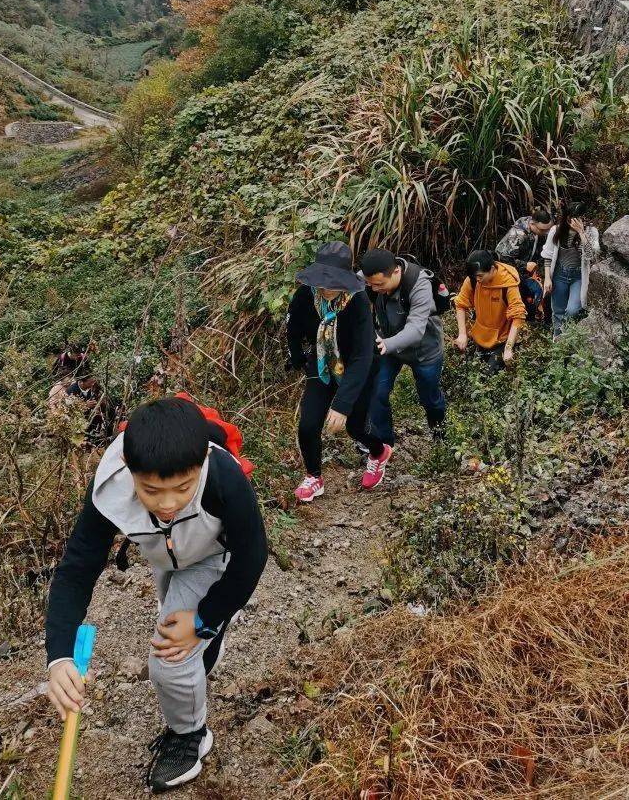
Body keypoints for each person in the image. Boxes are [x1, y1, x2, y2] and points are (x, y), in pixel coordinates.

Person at [45, 396, 267, 793]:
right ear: (131, 471)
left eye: (182, 489)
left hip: (214, 555)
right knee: (187, 632)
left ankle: (189, 736)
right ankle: (208, 640)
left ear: (200, 466)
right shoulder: (110, 485)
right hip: (167, 558)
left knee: (170, 654)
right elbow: (76, 571)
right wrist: (59, 656)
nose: (167, 504)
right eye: (151, 491)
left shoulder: (223, 477)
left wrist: (203, 618)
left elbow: (252, 556)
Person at [286, 241, 389, 501]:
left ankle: (379, 452)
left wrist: (342, 404)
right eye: (323, 281)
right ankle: (313, 477)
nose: (327, 288)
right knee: (308, 424)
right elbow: (294, 330)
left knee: (356, 427)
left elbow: (363, 356)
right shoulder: (305, 296)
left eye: (334, 282)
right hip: (321, 365)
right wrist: (298, 357)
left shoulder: (357, 302)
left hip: (358, 368)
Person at [360, 248, 446, 462]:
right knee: (376, 392)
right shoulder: (372, 277)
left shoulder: (419, 284)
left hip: (424, 351)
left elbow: (416, 329)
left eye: (380, 284)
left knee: (430, 399)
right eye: (371, 285)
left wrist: (385, 344)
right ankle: (385, 444)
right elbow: (348, 280)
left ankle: (439, 435)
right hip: (388, 346)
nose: (374, 289)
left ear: (396, 272)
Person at [453, 249, 526, 373]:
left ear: (492, 269)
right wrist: (462, 334)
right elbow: (460, 304)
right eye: (475, 276)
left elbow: (518, 316)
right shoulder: (473, 280)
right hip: (480, 335)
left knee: (487, 375)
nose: (478, 280)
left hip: (502, 339)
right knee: (470, 372)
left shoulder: (508, 283)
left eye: (481, 276)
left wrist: (508, 348)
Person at [542, 203, 600, 336]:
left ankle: (567, 338)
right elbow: (548, 255)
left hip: (578, 276)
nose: (574, 222)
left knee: (573, 310)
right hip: (559, 274)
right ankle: (557, 342)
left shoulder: (592, 232)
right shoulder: (556, 230)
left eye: (578, 218)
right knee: (558, 311)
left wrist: (581, 233)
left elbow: (591, 256)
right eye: (571, 218)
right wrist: (547, 278)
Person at [495, 209, 554, 322]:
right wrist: (524, 265)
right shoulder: (517, 235)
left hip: (529, 272)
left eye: (548, 229)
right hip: (511, 273)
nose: (546, 233)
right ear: (532, 224)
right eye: (543, 230)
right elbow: (502, 259)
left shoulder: (538, 230)